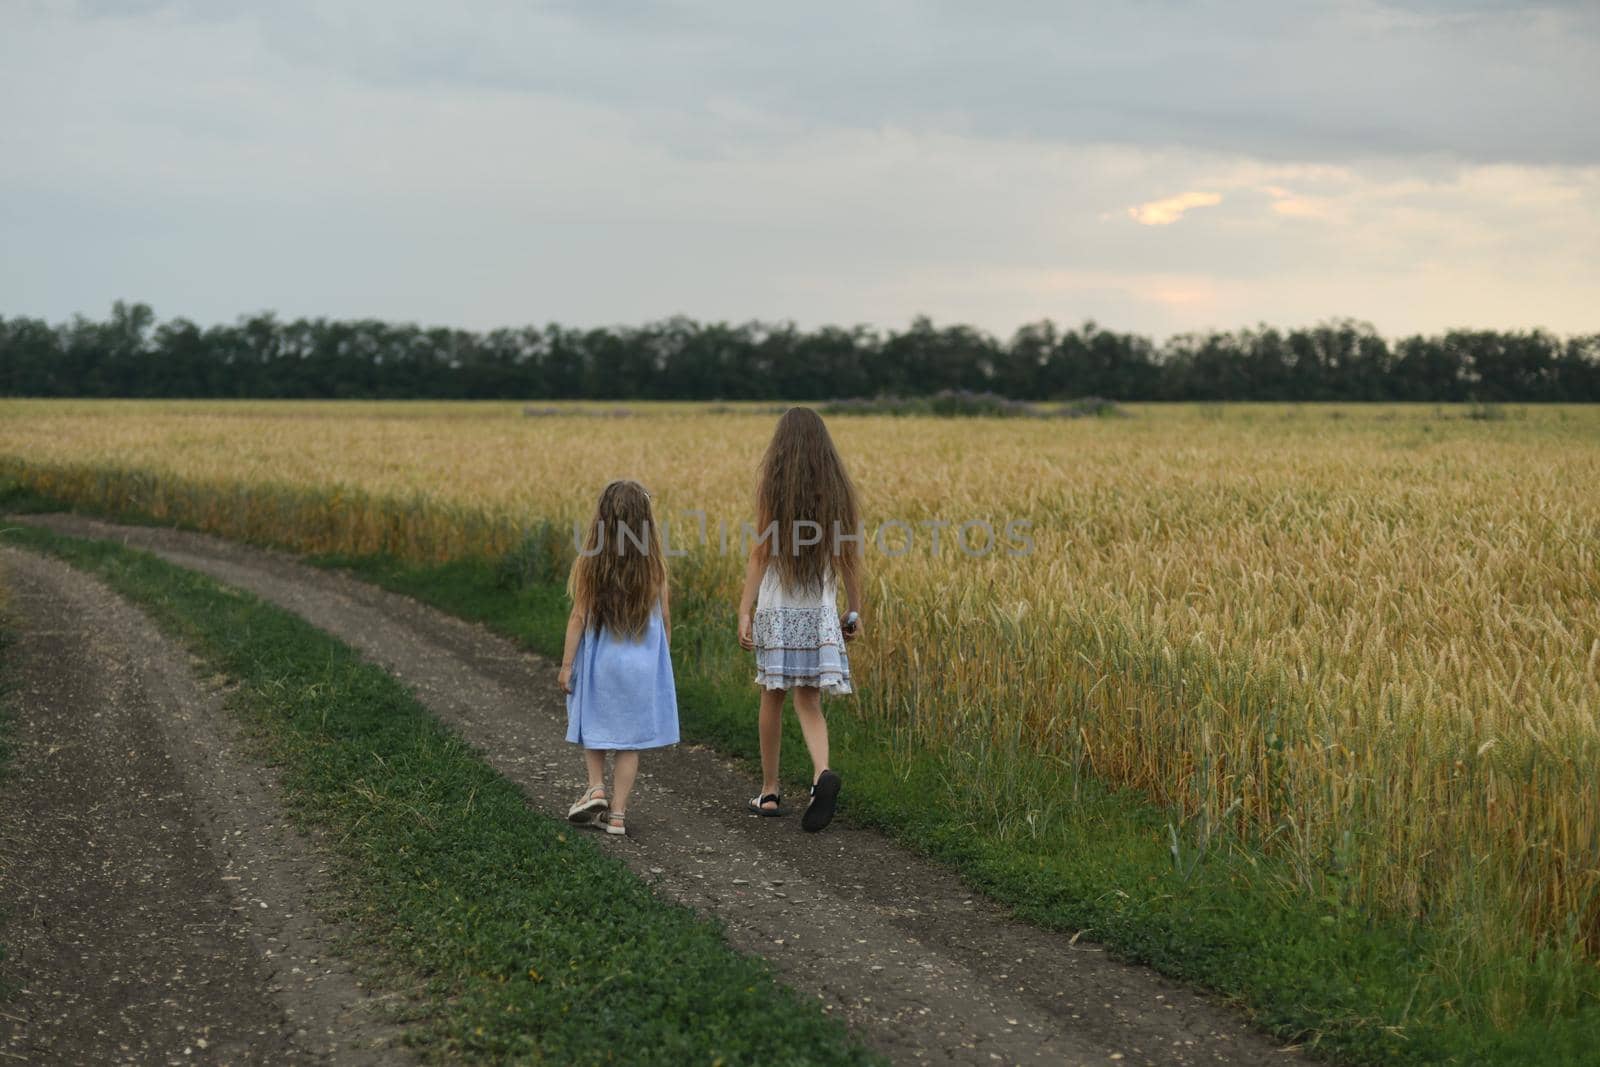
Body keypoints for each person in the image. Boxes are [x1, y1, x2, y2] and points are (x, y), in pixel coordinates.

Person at [737, 407, 864, 832]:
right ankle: (820, 774)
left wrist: (744, 609)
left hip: (777, 607)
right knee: (809, 700)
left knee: (772, 695)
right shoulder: (838, 490)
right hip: (820, 611)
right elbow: (848, 556)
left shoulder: (774, 487)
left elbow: (760, 553)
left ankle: (770, 792)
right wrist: (854, 610)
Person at [559, 479, 679, 837]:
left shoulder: (590, 564)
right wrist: (661, 663)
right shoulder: (653, 566)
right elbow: (666, 620)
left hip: (601, 664)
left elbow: (578, 618)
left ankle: (596, 787)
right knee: (629, 744)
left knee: (594, 725)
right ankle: (618, 817)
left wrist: (567, 665)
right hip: (641, 668)